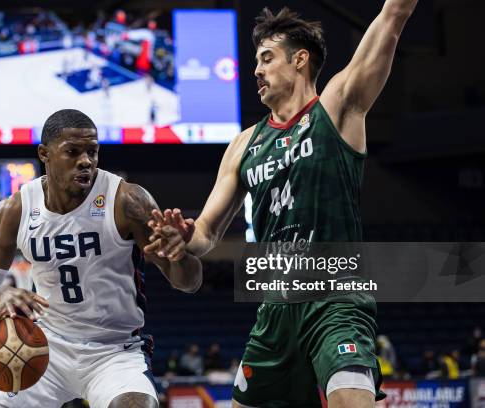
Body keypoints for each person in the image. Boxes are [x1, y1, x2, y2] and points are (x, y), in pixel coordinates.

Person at [146, 2, 417, 407]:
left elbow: (393, 17)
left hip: (335, 300)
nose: (256, 70)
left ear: (300, 60)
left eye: (267, 58)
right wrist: (185, 234)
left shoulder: (338, 106)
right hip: (275, 311)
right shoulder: (244, 144)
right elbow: (206, 234)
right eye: (256, 61)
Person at [0, 109, 202, 408]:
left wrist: (180, 255)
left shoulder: (127, 201)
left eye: (92, 151)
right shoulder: (16, 210)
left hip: (114, 351)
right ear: (44, 154)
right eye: (73, 152)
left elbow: (189, 283)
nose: (86, 160)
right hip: (46, 348)